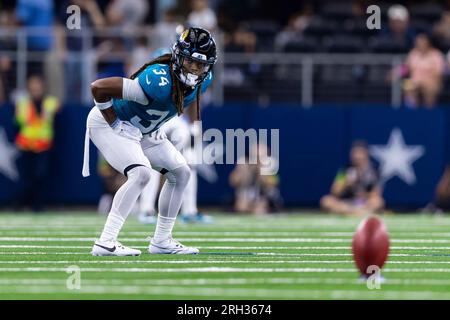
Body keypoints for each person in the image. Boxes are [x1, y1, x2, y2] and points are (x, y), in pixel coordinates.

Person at [82, 27, 217, 256]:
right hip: (109, 123)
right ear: (177, 57)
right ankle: (105, 242)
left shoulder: (204, 81)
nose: (195, 69)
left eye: (200, 64)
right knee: (142, 173)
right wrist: (115, 123)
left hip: (145, 131)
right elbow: (98, 88)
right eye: (190, 61)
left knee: (181, 173)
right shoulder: (158, 79)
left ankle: (162, 241)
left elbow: (185, 102)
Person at [14, 74, 60, 212]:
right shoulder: (22, 102)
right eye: (33, 84)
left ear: (42, 86)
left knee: (40, 176)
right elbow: (18, 120)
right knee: (25, 177)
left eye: (37, 84)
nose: (35, 87)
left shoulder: (50, 101)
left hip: (42, 145)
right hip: (26, 144)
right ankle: (22, 204)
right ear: (29, 87)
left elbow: (57, 107)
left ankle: (37, 206)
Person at [320, 141, 384, 216]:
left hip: (364, 203)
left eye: (360, 153)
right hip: (347, 203)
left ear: (366, 154)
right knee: (326, 201)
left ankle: (351, 212)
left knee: (378, 202)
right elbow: (334, 191)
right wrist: (346, 183)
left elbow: (376, 194)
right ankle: (357, 212)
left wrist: (363, 194)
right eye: (354, 153)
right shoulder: (344, 171)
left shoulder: (374, 171)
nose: (357, 157)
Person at [229, 143, 282, 215]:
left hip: (264, 196)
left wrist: (261, 170)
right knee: (241, 206)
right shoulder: (243, 161)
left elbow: (273, 183)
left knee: (259, 208)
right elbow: (233, 181)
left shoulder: (271, 163)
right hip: (246, 195)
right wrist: (244, 171)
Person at [403, 33, 446, 108]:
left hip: (431, 82)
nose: (419, 44)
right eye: (418, 42)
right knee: (406, 85)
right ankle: (411, 111)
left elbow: (439, 73)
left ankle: (428, 112)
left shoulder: (436, 55)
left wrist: (425, 82)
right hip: (415, 81)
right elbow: (405, 67)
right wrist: (395, 73)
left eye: (422, 42)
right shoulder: (413, 54)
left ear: (428, 43)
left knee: (429, 90)